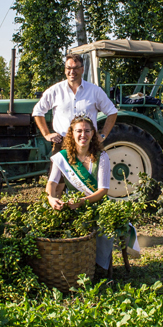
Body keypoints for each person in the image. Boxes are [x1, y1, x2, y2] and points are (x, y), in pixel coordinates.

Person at [46, 115, 114, 272]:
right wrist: (51, 198)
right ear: (71, 133)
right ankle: (68, 266)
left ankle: (99, 267)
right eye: (79, 131)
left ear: (92, 134)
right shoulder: (63, 157)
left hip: (96, 205)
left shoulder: (101, 157)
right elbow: (51, 183)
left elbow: (103, 190)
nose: (83, 135)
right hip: (71, 205)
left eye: (87, 131)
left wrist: (83, 202)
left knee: (104, 228)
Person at [32, 54, 118, 153]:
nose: (72, 72)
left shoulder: (94, 91)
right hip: (62, 144)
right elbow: (38, 111)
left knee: (88, 169)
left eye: (76, 68)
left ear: (82, 70)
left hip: (87, 143)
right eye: (68, 68)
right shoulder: (55, 90)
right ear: (65, 70)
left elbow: (112, 112)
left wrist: (102, 135)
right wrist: (47, 134)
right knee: (58, 169)